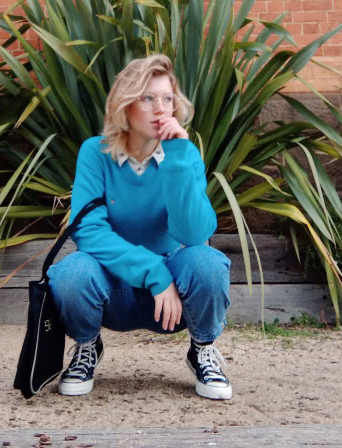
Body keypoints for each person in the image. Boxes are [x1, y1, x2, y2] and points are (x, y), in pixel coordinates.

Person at [48, 55, 233, 400]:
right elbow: (87, 231)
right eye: (148, 98)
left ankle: (202, 348)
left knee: (207, 263)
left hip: (173, 299)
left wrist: (177, 159)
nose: (160, 109)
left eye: (167, 99)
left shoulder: (185, 154)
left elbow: (194, 235)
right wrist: (153, 272)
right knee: (72, 272)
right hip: (113, 287)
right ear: (125, 106)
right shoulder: (95, 153)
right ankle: (87, 346)